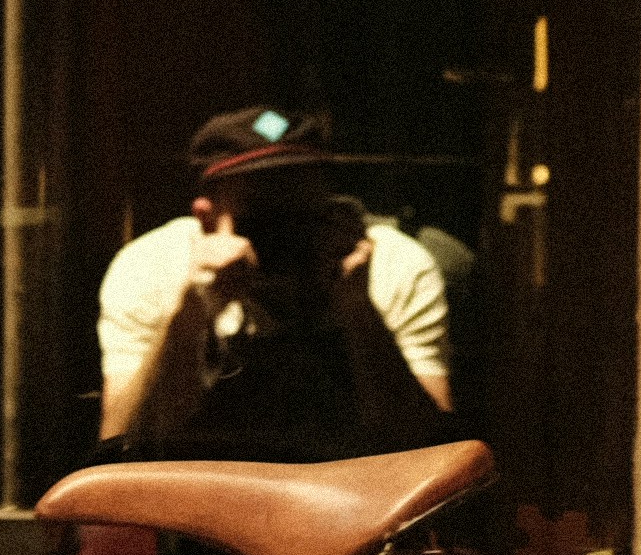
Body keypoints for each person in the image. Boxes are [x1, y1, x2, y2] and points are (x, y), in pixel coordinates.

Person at [90, 106, 454, 460]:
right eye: (264, 214)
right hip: (202, 497)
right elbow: (121, 445)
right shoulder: (152, 266)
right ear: (206, 216)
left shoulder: (393, 265)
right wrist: (191, 315)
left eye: (305, 210)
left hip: (358, 500)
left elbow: (429, 450)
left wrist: (357, 307)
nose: (288, 232)